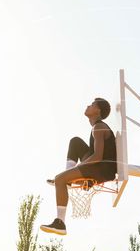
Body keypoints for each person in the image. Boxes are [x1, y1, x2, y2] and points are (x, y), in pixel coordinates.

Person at [40, 97, 117, 235]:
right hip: (99, 166)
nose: (88, 105)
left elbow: (98, 156)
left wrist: (79, 167)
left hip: (102, 168)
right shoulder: (96, 127)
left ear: (98, 110)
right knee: (75, 142)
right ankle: (68, 180)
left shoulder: (99, 127)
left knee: (59, 179)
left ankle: (60, 223)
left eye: (92, 105)